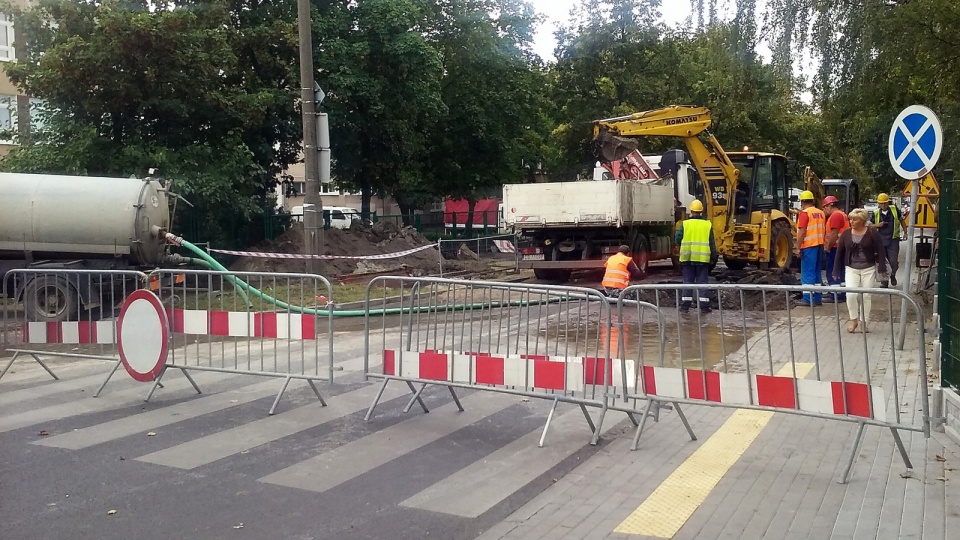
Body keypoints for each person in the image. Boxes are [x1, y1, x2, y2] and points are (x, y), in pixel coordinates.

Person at [833, 209, 888, 333]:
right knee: (851, 295)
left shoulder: (872, 233)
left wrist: (882, 267)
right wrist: (836, 270)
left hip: (868, 269)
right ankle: (854, 320)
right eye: (850, 219)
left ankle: (864, 322)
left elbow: (880, 250)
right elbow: (839, 252)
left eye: (855, 219)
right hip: (851, 269)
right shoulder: (846, 234)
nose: (851, 222)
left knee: (866, 296)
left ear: (862, 221)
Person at [675, 199, 717, 313]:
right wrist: (714, 257)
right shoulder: (707, 225)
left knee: (687, 282)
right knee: (702, 282)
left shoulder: (685, 224)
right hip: (702, 260)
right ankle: (704, 307)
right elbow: (712, 243)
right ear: (701, 212)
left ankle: (685, 306)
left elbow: (677, 239)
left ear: (691, 211)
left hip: (687, 258)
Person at [794, 190, 826, 305]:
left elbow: (802, 232)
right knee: (817, 272)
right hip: (819, 245)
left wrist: (797, 247)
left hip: (808, 246)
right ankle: (817, 298)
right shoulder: (820, 212)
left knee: (807, 272)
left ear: (802, 201)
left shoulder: (804, 213)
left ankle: (807, 299)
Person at [868, 192, 906, 287]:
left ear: (888, 202)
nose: (884, 205)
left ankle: (892, 274)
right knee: (882, 261)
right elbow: (870, 226)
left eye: (885, 203)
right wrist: (878, 225)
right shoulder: (876, 213)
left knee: (893, 261)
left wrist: (905, 232)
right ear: (878, 204)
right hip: (880, 241)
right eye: (881, 203)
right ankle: (884, 281)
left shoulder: (894, 210)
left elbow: (902, 220)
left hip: (893, 239)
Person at [822, 195, 850, 302]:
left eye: (824, 208)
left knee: (833, 271)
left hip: (835, 248)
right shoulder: (842, 214)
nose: (824, 211)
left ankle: (835, 295)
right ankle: (841, 294)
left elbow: (834, 234)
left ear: (829, 206)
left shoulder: (835, 216)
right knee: (841, 271)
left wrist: (828, 247)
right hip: (842, 248)